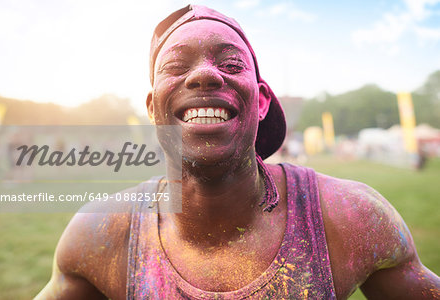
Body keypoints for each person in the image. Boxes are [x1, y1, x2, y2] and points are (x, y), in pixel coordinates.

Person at [36, 5, 440, 299]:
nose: (205, 74)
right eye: (176, 66)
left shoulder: (351, 218)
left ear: (262, 101)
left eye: (231, 64)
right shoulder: (101, 236)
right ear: (153, 108)